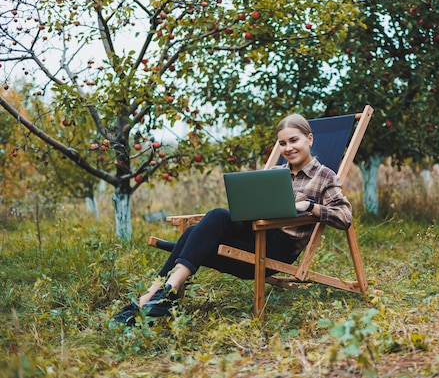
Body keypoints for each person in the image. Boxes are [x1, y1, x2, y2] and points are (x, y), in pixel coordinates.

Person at [114, 113, 352, 325]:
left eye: (294, 140)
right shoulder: (274, 174)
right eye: (282, 143)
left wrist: (311, 207)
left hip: (277, 250)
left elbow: (345, 216)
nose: (288, 147)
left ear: (309, 139)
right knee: (195, 231)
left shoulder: (324, 176)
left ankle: (159, 294)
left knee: (206, 224)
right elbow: (253, 209)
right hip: (256, 235)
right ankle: (157, 294)